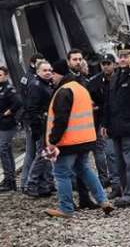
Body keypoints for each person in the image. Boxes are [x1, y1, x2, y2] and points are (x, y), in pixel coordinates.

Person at [44, 59, 113, 218]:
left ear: (58, 74)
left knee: (61, 173)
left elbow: (61, 119)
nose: (51, 77)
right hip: (86, 139)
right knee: (84, 169)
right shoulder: (80, 88)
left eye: (53, 74)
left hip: (68, 142)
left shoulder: (64, 91)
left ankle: (66, 209)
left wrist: (53, 141)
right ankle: (104, 201)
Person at [101, 44, 130, 207]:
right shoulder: (115, 77)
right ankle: (125, 191)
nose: (122, 59)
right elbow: (108, 102)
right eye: (120, 56)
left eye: (126, 56)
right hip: (117, 128)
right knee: (120, 163)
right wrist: (105, 123)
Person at [23, 61, 55, 196]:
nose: (48, 72)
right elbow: (32, 108)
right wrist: (36, 128)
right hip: (41, 125)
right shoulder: (36, 86)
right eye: (44, 70)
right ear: (37, 72)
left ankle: (44, 185)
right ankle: (31, 183)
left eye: (49, 70)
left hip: (46, 124)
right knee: (43, 154)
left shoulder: (45, 84)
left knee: (47, 155)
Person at [0, 66, 22, 191]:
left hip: (8, 125)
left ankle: (8, 179)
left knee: (1, 150)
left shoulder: (9, 89)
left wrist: (8, 112)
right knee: (7, 151)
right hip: (1, 125)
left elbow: (18, 102)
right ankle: (11, 181)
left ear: (5, 76)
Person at [87, 54, 116, 189]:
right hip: (100, 120)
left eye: (108, 63)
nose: (105, 66)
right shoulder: (94, 82)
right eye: (103, 63)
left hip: (116, 118)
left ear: (114, 64)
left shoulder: (119, 78)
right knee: (104, 150)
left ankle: (115, 177)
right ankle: (107, 178)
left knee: (112, 150)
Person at [19, 54, 46, 191]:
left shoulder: (26, 77)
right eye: (40, 62)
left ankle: (28, 181)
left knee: (34, 152)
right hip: (32, 118)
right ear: (33, 63)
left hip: (28, 117)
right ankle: (27, 182)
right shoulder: (33, 80)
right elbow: (30, 102)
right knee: (33, 152)